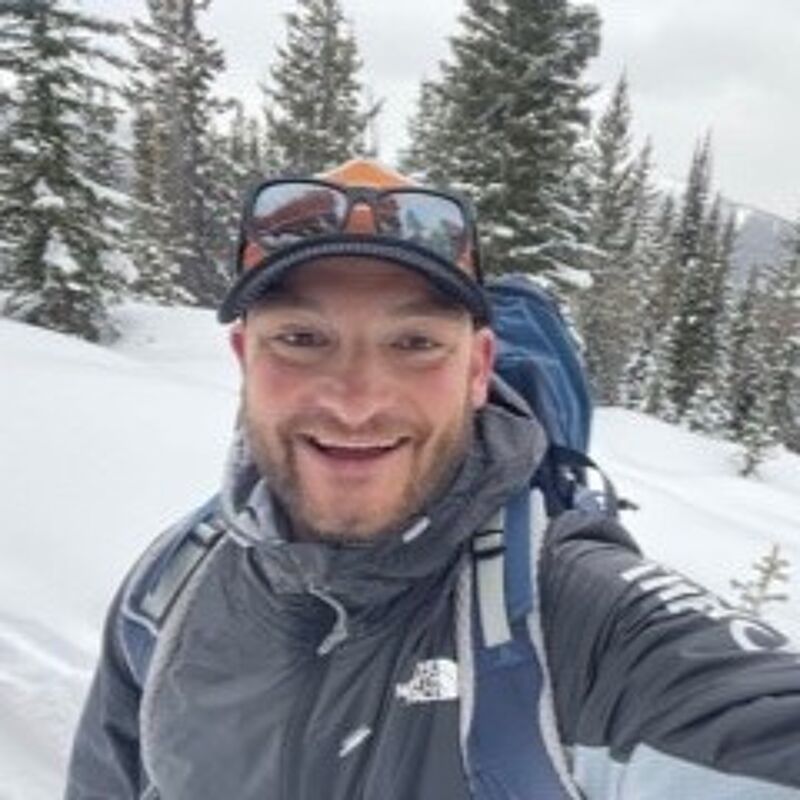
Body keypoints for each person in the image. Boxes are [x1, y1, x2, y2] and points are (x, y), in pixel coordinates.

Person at [65, 159, 800, 800]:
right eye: (301, 339)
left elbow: (744, 717)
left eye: (414, 343)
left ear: (477, 369)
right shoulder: (171, 590)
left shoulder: (573, 622)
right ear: (243, 358)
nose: (356, 401)